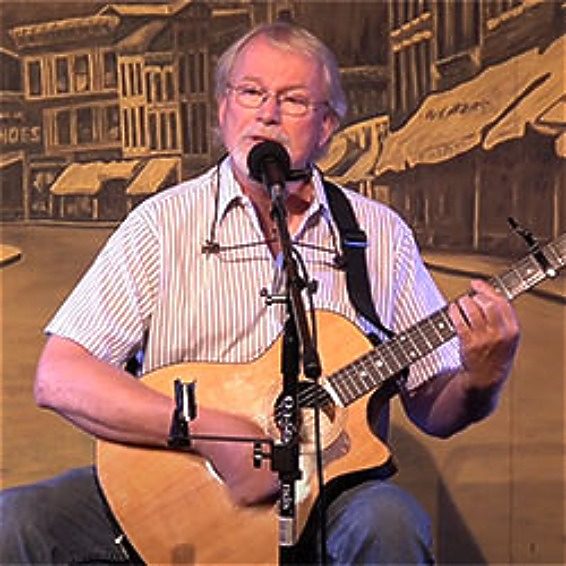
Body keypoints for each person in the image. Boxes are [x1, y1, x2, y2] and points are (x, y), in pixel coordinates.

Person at [0, 21, 520, 564]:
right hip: (169, 482)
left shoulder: (379, 235)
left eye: (293, 100)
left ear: (326, 126)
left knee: (391, 522)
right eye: (251, 92)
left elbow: (434, 410)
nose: (268, 113)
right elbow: (60, 377)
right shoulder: (160, 224)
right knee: (15, 523)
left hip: (331, 499)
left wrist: (482, 379)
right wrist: (209, 432)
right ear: (224, 109)